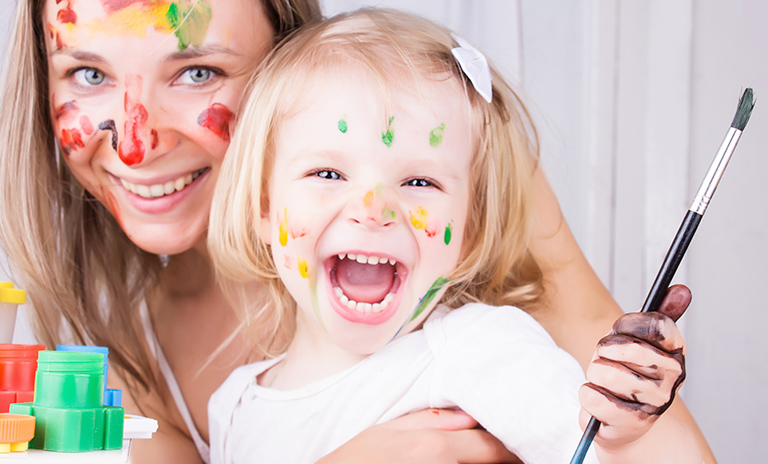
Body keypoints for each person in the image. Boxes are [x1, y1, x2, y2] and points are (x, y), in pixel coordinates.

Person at [0, 0, 716, 463]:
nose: (136, 144)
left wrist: (630, 414)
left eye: (197, 72)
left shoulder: (474, 334)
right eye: (88, 72)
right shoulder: (147, 371)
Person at [206, 9, 702, 463]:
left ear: (469, 229)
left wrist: (617, 435)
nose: (373, 210)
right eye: (328, 173)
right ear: (263, 209)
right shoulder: (232, 406)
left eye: (419, 182)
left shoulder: (480, 351)